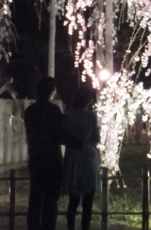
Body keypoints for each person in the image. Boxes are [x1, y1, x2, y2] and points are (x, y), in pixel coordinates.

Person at [24, 77, 77, 230]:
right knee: (50, 200)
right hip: (52, 158)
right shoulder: (53, 110)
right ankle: (48, 226)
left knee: (35, 197)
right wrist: (76, 142)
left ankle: (33, 226)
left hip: (35, 157)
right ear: (52, 91)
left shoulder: (30, 111)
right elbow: (59, 134)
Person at [62, 86, 101, 230]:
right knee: (88, 200)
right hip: (88, 157)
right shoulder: (91, 116)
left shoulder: (67, 116)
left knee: (73, 200)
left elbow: (64, 137)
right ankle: (85, 227)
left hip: (73, 156)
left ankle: (70, 226)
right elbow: (96, 138)